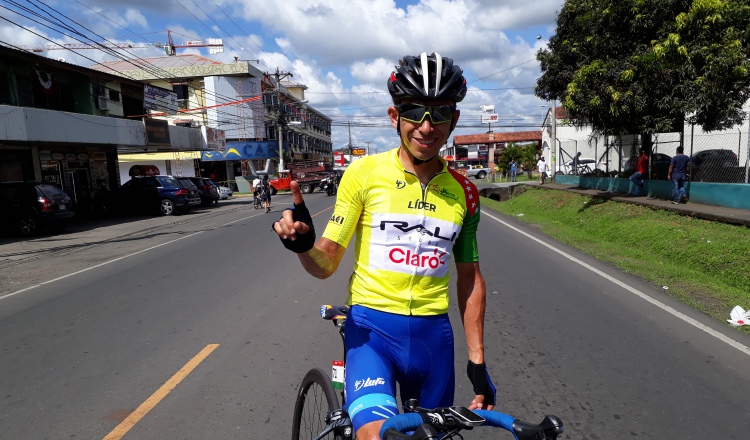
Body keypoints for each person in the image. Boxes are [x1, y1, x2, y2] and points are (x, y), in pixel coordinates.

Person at [273, 52, 495, 440]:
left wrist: (477, 359)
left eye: (440, 112)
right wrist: (304, 246)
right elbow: (326, 263)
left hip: (433, 341)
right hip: (372, 331)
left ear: (454, 120)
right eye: (414, 111)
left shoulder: (465, 193)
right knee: (377, 435)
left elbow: (470, 278)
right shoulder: (364, 173)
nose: (427, 127)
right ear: (396, 117)